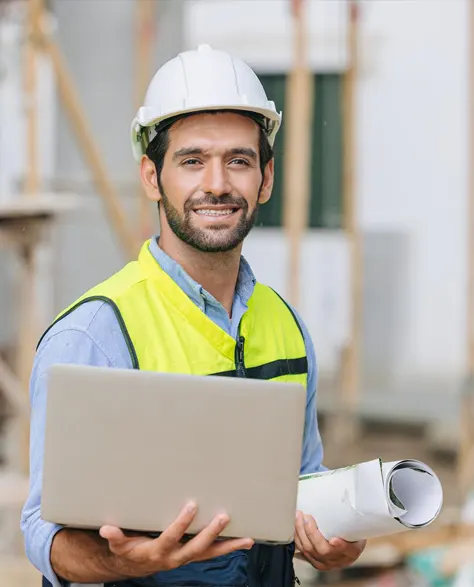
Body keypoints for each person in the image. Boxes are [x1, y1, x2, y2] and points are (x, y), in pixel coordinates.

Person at [21, 45, 365, 587]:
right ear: (152, 177)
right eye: (192, 160)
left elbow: (301, 485)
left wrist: (337, 532)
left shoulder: (286, 325)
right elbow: (45, 535)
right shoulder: (95, 334)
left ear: (266, 178)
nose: (217, 183)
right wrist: (116, 562)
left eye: (238, 160)